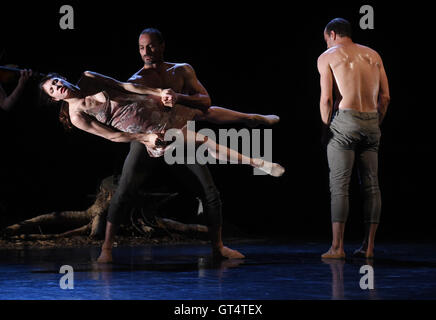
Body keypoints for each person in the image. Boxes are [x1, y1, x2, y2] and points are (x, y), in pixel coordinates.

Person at [40, 69, 285, 261]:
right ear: (53, 98)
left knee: (204, 112)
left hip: (154, 108)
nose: (57, 87)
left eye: (56, 81)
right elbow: (112, 136)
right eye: (52, 90)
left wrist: (159, 92)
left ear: (62, 77)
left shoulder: (89, 77)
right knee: (202, 142)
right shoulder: (77, 115)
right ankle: (257, 162)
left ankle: (256, 118)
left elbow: (125, 86)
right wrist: (143, 138)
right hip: (149, 132)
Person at [317, 18, 390, 259]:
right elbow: (386, 97)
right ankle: (368, 247)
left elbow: (326, 99)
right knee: (371, 185)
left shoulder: (328, 55)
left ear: (333, 34)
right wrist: (375, 124)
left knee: (339, 186)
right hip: (371, 120)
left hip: (344, 122)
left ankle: (337, 248)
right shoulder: (373, 54)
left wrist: (326, 127)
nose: (326, 43)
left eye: (326, 39)